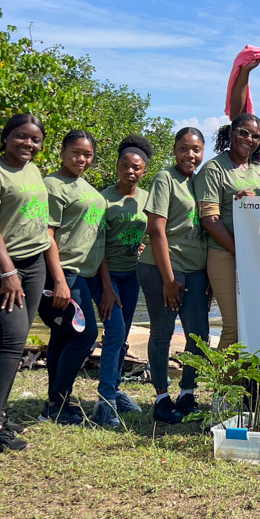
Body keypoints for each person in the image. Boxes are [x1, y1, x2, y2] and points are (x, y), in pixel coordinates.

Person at [0, 113, 51, 452]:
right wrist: (7, 273)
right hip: (4, 267)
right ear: (6, 137)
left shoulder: (32, 170)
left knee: (16, 344)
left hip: (35, 265)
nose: (28, 144)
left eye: (35, 140)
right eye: (21, 136)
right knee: (11, 339)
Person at [38, 130, 114, 426]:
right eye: (76, 153)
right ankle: (57, 402)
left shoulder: (89, 189)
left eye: (88, 155)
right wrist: (58, 280)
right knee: (85, 336)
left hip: (87, 273)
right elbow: (47, 234)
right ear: (62, 151)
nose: (82, 159)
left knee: (63, 335)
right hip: (65, 272)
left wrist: (106, 284)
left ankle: (55, 404)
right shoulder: (52, 185)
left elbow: (99, 239)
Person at [138, 127, 211, 424]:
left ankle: (188, 393)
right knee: (163, 331)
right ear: (174, 150)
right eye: (183, 148)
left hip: (196, 268)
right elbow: (156, 229)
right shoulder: (165, 178)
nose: (189, 155)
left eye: (195, 149)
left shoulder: (201, 182)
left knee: (199, 334)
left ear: (203, 152)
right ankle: (160, 398)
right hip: (162, 266)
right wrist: (168, 279)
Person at [88, 135, 152, 427]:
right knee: (113, 332)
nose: (131, 171)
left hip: (131, 273)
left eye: (136, 167)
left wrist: (141, 245)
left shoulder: (148, 198)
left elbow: (154, 231)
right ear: (116, 167)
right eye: (125, 166)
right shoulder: (103, 199)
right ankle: (105, 402)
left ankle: (115, 389)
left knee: (122, 335)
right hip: (106, 273)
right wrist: (106, 289)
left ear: (144, 171)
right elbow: (97, 245)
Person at [198, 113, 260, 350]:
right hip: (225, 254)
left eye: (256, 136)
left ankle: (246, 385)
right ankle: (222, 385)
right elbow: (209, 220)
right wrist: (240, 253)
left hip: (259, 256)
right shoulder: (214, 169)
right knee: (233, 327)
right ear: (231, 133)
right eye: (243, 132)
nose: (249, 139)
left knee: (253, 324)